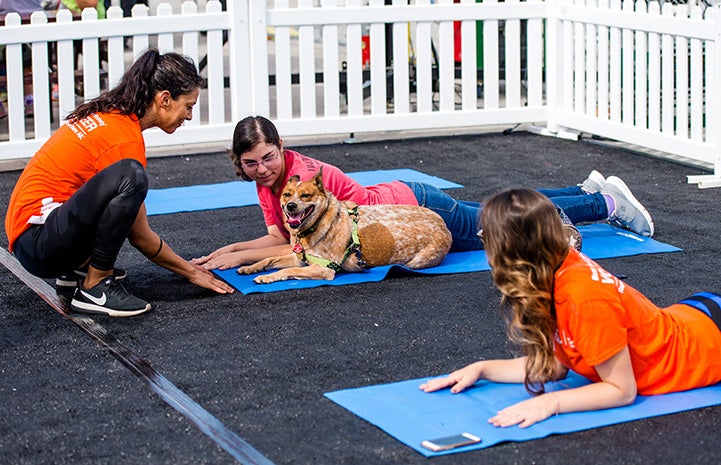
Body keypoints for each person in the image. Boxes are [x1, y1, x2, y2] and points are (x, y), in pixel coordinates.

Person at [420, 188, 721, 428]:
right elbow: (559, 365)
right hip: (694, 320)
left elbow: (621, 390)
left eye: (486, 238)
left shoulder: (582, 297)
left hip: (709, 340)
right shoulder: (555, 267)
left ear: (511, 248)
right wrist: (482, 369)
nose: (485, 247)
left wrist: (549, 404)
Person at [192, 116, 654, 271]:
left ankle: (607, 204)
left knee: (509, 222)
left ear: (282, 149)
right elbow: (279, 235)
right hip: (405, 200)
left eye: (268, 157)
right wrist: (230, 250)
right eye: (250, 163)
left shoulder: (302, 180)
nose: (261, 168)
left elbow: (286, 243)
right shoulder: (269, 182)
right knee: (499, 209)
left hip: (413, 211)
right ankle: (587, 190)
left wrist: (234, 255)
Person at [5, 48, 234, 317]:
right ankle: (95, 286)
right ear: (164, 99)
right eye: (188, 106)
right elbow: (140, 236)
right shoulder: (123, 138)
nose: (189, 116)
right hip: (39, 244)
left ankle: (77, 270)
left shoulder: (113, 115)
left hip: (33, 236)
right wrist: (191, 271)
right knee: (131, 176)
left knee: (122, 180)